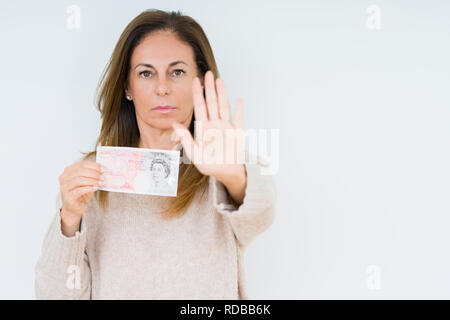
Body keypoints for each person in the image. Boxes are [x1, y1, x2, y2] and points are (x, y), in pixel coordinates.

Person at [35, 9, 276, 300]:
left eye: (177, 72)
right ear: (127, 86)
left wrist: (234, 175)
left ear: (198, 82)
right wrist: (69, 219)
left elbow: (261, 213)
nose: (162, 88)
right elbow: (54, 295)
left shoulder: (222, 168)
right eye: (146, 73)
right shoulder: (91, 179)